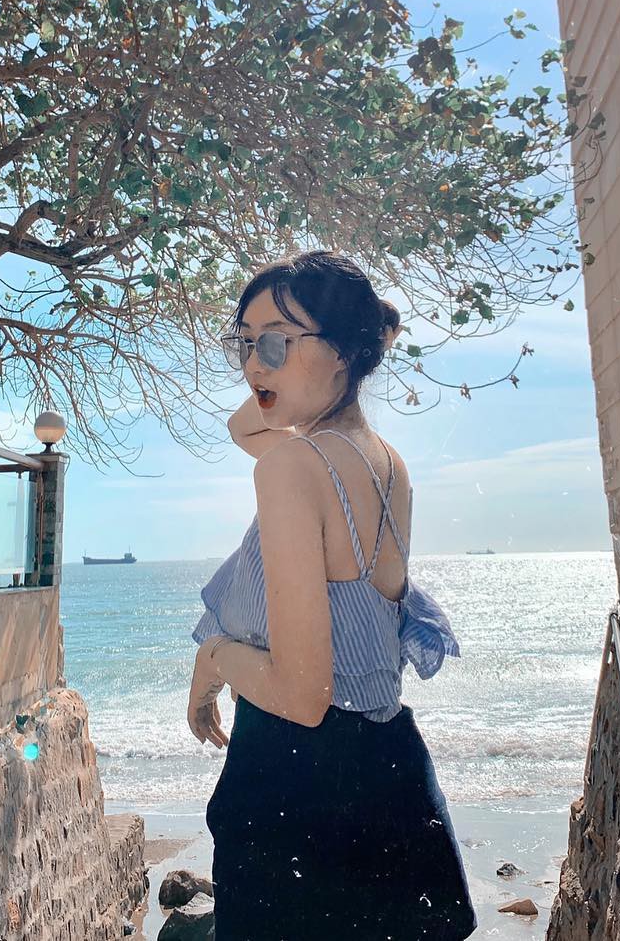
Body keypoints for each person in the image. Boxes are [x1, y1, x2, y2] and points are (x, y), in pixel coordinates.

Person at [188, 249, 478, 940]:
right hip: (388, 775)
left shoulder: (294, 467)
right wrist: (297, 364)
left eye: (277, 342)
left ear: (345, 352)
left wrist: (213, 664)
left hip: (297, 792)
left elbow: (301, 693)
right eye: (244, 343)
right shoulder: (385, 465)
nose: (255, 364)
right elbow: (243, 427)